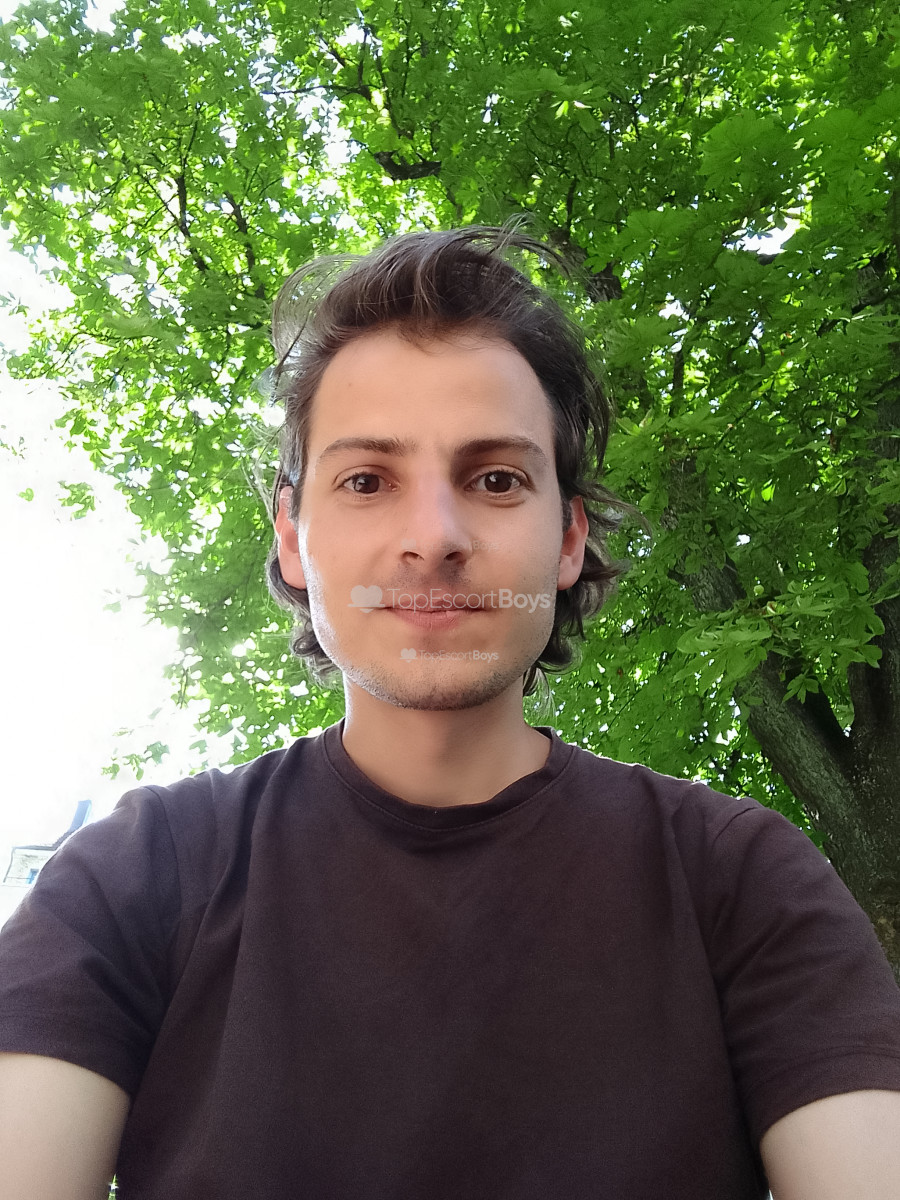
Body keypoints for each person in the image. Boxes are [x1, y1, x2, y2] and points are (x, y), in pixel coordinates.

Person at [1, 226, 899, 1200]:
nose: (434, 537)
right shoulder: (133, 878)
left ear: (568, 539)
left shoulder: (741, 879)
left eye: (496, 479)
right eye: (366, 481)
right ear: (293, 537)